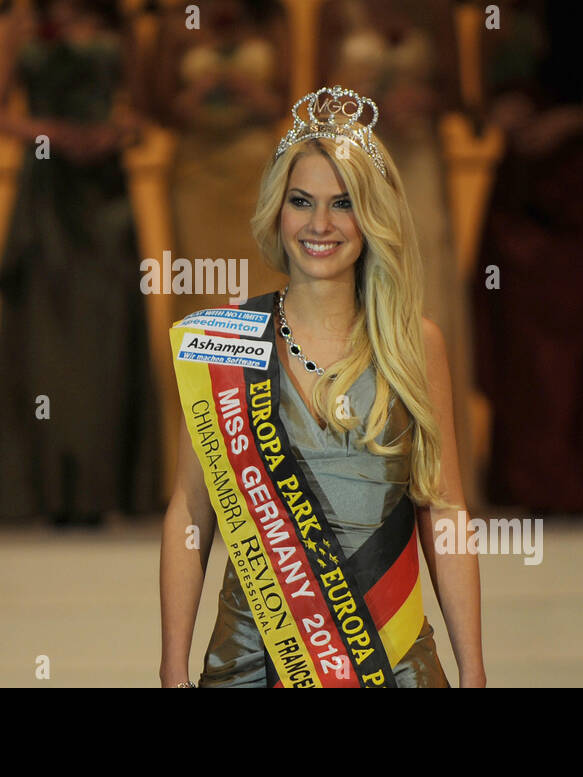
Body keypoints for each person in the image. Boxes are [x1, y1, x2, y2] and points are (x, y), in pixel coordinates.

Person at [158, 86, 484, 688]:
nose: (320, 225)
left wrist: (474, 671)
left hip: (390, 653)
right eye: (301, 201)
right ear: (276, 211)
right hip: (252, 657)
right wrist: (172, 665)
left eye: (344, 204)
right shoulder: (223, 341)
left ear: (373, 216)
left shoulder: (416, 342)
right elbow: (190, 510)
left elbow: (443, 509)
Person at [0, 0, 162, 524]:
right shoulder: (22, 22)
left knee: (104, 339)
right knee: (47, 340)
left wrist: (116, 134)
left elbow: (141, 108)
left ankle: (100, 491)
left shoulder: (119, 23)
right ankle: (45, 490)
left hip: (105, 194)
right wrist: (50, 132)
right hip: (48, 191)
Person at [314, 0, 477, 508]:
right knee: (357, 301)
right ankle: (358, 464)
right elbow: (314, 102)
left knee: (426, 302)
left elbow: (462, 98)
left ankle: (436, 472)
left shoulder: (435, 5)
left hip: (421, 172)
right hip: (360, 170)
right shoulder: (334, 7)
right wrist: (367, 104)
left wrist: (426, 100)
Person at [471, 0, 583, 513]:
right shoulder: (495, 13)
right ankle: (518, 481)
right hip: (517, 183)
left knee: (576, 328)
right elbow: (481, 102)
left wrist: (561, 123)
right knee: (516, 335)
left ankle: (572, 483)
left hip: (574, 181)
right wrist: (498, 115)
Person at [148, 0, 293, 323]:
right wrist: (196, 95)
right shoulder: (181, 12)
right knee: (203, 292)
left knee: (264, 287)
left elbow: (283, 102)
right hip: (197, 176)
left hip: (256, 171)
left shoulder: (270, 13)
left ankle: (264, 391)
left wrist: (246, 91)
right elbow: (158, 108)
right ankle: (201, 393)